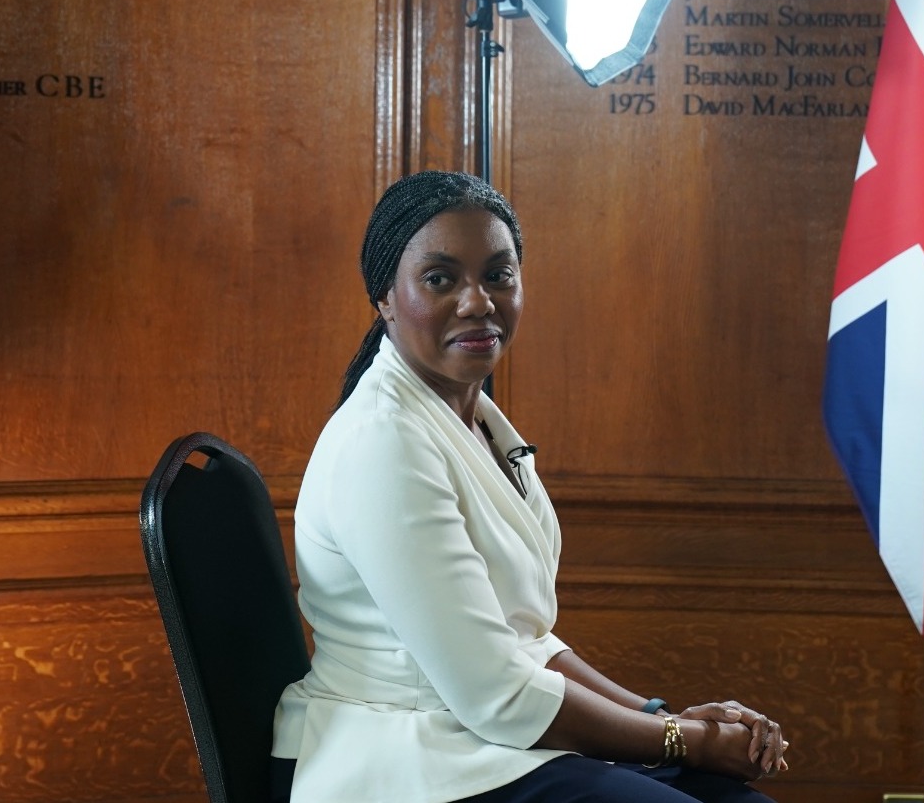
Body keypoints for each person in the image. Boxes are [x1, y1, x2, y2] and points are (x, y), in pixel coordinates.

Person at [271, 170, 790, 803]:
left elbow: (526, 643)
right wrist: (687, 741)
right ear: (385, 297)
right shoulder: (383, 442)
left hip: (484, 739)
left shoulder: (477, 425)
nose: (478, 302)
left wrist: (662, 717)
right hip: (401, 760)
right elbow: (499, 694)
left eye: (498, 274)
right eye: (440, 279)